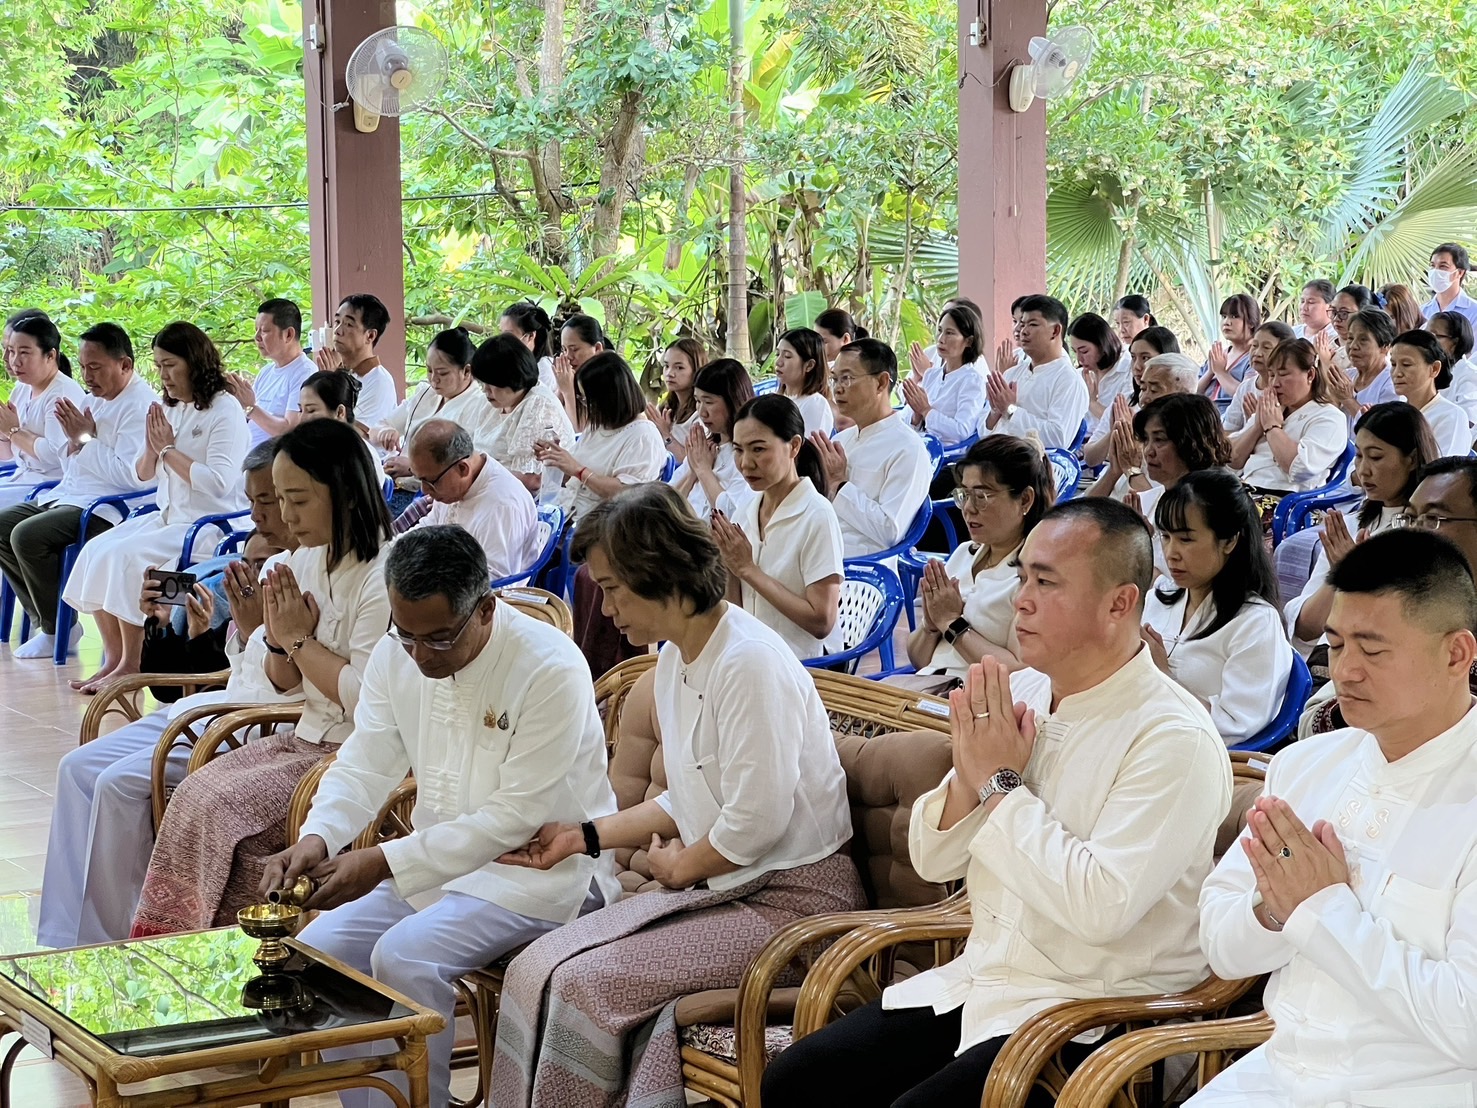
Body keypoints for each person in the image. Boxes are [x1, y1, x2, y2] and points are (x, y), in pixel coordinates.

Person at [761, 498, 1231, 1108]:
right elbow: (934, 860)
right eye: (1023, 576)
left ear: (1120, 603)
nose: (1021, 600)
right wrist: (971, 779)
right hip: (986, 980)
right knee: (800, 1079)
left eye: (1046, 582)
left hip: (1098, 1015)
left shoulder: (1173, 738)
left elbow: (1099, 907)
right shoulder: (1027, 692)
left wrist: (999, 787)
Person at [488, 483, 864, 1108]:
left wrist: (680, 866)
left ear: (660, 573)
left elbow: (754, 821)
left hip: (798, 908)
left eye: (611, 588)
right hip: (730, 888)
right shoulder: (675, 659)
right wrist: (582, 836)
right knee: (538, 964)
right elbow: (692, 798)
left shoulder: (749, 662)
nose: (605, 610)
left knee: (586, 984)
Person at [264, 525, 621, 1108]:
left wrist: (382, 861)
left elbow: (514, 816)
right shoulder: (396, 652)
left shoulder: (549, 666)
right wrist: (319, 836)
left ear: (485, 608)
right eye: (405, 636)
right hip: (435, 869)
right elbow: (364, 762)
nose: (419, 655)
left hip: (540, 879)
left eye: (437, 638)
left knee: (404, 955)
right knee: (320, 951)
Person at [1192, 528, 1477, 1107]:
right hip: (1276, 1073)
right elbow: (1222, 947)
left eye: (1372, 650)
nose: (1345, 672)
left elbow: (1466, 1024)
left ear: (1457, 654)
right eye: (1337, 644)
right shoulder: (1305, 766)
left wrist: (1320, 909)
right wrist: (1274, 910)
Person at [128, 418, 394, 937]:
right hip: (303, 736)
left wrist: (298, 640)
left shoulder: (384, 573)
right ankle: (184, 951)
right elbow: (284, 683)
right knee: (194, 793)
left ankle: (243, 954)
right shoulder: (301, 561)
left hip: (352, 751)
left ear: (344, 493)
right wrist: (279, 640)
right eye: (281, 500)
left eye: (298, 500)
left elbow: (367, 702)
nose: (286, 518)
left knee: (222, 811)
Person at [35, 441, 300, 949]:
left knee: (116, 786)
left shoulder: (299, 571)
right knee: (76, 768)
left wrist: (250, 634)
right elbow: (215, 672)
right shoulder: (255, 564)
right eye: (254, 501)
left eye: (273, 501)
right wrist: (182, 630)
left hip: (254, 722)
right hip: (214, 704)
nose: (260, 515)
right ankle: (59, 939)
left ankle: (113, 943)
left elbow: (280, 680)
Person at [62, 322, 249, 693]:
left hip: (208, 525)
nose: (163, 376)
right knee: (98, 549)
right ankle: (113, 659)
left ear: (194, 363)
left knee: (128, 557)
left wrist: (167, 450)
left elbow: (218, 482)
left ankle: (135, 663)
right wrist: (154, 447)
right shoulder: (173, 408)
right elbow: (145, 476)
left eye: (170, 366)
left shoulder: (223, 408)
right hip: (168, 517)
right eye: (159, 366)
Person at [0, 323, 157, 660]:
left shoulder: (140, 405)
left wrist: (84, 440)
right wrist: (76, 442)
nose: (87, 376)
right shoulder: (94, 400)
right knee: (2, 526)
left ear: (125, 365)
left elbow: (132, 477)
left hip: (110, 508)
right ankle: (49, 620)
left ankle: (61, 627)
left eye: (95, 367)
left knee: (28, 537)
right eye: (84, 367)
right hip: (69, 494)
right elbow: (72, 458)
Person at [1303, 456, 1477, 735]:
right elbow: (1312, 722)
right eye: (1408, 518)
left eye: (1433, 518)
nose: (1413, 532)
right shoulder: (1392, 599)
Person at [535, 351, 665, 676]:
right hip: (572, 521)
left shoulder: (641, 435)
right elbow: (575, 469)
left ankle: (595, 668)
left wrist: (578, 470)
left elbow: (629, 494)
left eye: (589, 400)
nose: (586, 408)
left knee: (583, 577)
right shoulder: (598, 428)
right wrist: (558, 458)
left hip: (611, 530)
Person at [1141, 469, 1291, 745]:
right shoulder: (1161, 594)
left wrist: (1162, 674)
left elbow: (1235, 728)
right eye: (1165, 537)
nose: (1171, 552)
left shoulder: (1255, 622)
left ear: (1229, 541)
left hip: (1195, 751)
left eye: (1185, 539)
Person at [1285, 401, 1438, 660]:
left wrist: (1357, 576)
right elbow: (1306, 628)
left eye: (1376, 457)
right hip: (1331, 659)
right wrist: (1341, 574)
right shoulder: (1352, 526)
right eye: (1358, 456)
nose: (1363, 470)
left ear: (1411, 460)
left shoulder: (1431, 529)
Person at [902, 435, 1052, 689]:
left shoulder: (1034, 575)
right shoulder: (963, 554)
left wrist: (952, 623)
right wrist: (931, 626)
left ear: (1025, 500)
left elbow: (1021, 673)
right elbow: (920, 661)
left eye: (982, 496)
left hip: (974, 702)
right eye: (963, 494)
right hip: (927, 689)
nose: (968, 508)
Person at [711, 394, 843, 660]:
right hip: (753, 652)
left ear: (794, 446)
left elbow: (821, 621)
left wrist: (748, 569)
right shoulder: (747, 509)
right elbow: (736, 609)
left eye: (758, 449)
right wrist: (728, 564)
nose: (746, 463)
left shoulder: (817, 515)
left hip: (804, 662)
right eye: (738, 450)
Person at [810, 339, 933, 558]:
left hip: (861, 568)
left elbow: (890, 532)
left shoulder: (908, 449)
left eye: (846, 378)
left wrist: (839, 484)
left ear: (881, 383)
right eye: (834, 379)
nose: (837, 388)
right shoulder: (843, 439)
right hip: (818, 552)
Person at [402, 419, 539, 580]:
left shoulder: (502, 505)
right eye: (420, 480)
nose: (424, 490)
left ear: (462, 469)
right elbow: (429, 528)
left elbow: (496, 580)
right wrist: (392, 550)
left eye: (430, 481)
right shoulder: (449, 481)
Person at [1230, 338, 1348, 510]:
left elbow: (1298, 468)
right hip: (1246, 491)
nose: (1275, 383)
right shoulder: (1271, 409)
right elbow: (1232, 458)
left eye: (1284, 374)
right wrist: (1258, 426)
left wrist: (1272, 428)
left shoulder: (1329, 416)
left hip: (1285, 501)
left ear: (1310, 375)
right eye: (1271, 375)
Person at [371, 328, 493, 491]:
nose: (433, 379)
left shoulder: (479, 405)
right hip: (392, 484)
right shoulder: (425, 393)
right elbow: (376, 428)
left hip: (431, 495)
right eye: (429, 370)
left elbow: (467, 466)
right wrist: (384, 433)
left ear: (466, 371)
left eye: (442, 373)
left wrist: (412, 469)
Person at [470, 332, 574, 497]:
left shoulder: (539, 406)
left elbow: (531, 481)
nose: (485, 390)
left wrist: (472, 479)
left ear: (513, 379)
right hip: (487, 489)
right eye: (483, 383)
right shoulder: (493, 403)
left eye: (492, 384)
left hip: (519, 499)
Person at [0, 314, 86, 509]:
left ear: (50, 355)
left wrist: (14, 432)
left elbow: (56, 455)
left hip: (49, 487)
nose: (14, 361)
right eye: (11, 352)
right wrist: (5, 433)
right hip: (20, 478)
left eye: (24, 353)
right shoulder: (22, 388)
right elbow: (9, 455)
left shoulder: (62, 395)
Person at [980, 294, 1089, 449]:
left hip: (1033, 466)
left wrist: (1010, 410)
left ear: (1055, 331)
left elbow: (1058, 438)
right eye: (1022, 324)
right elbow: (983, 433)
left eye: (1032, 324)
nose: (1023, 331)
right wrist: (995, 412)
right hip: (996, 456)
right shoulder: (1012, 373)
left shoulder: (1069, 380)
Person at [1082, 325, 1181, 469]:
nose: (1137, 366)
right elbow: (1090, 458)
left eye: (1145, 358)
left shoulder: (1182, 409)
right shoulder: (1125, 402)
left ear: (1166, 358)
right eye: (1133, 358)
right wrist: (1118, 431)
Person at [669, 358, 754, 520]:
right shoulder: (703, 447)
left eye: (708, 402)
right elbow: (666, 501)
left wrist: (703, 471)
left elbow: (733, 514)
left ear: (732, 401)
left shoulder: (744, 455)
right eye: (697, 401)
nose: (701, 412)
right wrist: (694, 471)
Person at [225, 297, 314, 447]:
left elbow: (290, 430)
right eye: (256, 330)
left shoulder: (305, 373)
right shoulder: (266, 372)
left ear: (288, 335)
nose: (257, 337)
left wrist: (250, 407)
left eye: (265, 331)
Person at [902, 304, 988, 446]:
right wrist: (917, 416)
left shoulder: (972, 380)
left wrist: (926, 411)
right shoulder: (932, 375)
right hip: (921, 447)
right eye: (940, 331)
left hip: (948, 457)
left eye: (950, 333)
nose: (941, 339)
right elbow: (912, 424)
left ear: (968, 341)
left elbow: (962, 430)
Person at [317, 293, 398, 430]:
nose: (338, 331)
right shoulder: (337, 371)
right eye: (337, 322)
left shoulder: (378, 381)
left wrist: (330, 386)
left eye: (349, 324)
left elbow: (353, 436)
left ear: (370, 336)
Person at [1390, 328, 1471, 456]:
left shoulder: (1452, 417)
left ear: (1434, 368)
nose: (1397, 373)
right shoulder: (1392, 413)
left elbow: (1443, 472)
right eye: (1393, 364)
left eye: (1406, 364)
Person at [1326, 307, 1398, 423]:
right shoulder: (1346, 377)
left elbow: (1383, 432)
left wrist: (1348, 400)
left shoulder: (1392, 383)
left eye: (1363, 340)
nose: (1353, 346)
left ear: (1385, 346)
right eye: (1350, 338)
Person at [1223, 321, 1295, 434]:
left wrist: (1260, 422)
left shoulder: (1287, 391)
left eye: (1266, 347)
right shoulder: (1245, 388)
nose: (1257, 353)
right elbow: (1227, 432)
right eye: (1254, 345)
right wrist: (1252, 424)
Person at [644, 337, 706, 461]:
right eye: (666, 366)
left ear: (696, 370)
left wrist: (666, 434)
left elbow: (692, 463)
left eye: (679, 368)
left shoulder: (702, 414)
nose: (669, 373)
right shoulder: (665, 407)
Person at [1197, 293, 1260, 402]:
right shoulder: (1219, 355)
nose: (1226, 322)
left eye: (1234, 317)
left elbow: (1246, 396)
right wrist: (1210, 372)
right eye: (1224, 316)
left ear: (1251, 322)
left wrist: (1221, 373)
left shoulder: (1256, 357)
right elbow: (1194, 390)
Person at [774, 327, 835, 437]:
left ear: (809, 365)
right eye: (777, 354)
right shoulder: (776, 399)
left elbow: (808, 450)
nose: (778, 362)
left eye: (787, 356)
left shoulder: (815, 404)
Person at [1068, 312, 1126, 426]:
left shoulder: (1126, 370)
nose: (1079, 359)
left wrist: (1091, 402)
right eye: (1075, 352)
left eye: (1084, 351)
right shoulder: (1080, 375)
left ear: (1102, 345)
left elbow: (1124, 422)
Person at [551, 313, 607, 427]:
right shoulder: (571, 378)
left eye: (574, 349)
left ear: (597, 348)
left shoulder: (610, 382)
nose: (568, 356)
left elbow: (577, 436)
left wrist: (568, 392)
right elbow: (547, 419)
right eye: (564, 349)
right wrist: (561, 389)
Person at [1429, 309, 1477, 428]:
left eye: (1434, 336)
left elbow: (1467, 422)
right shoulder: (1427, 369)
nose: (1426, 341)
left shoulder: (1469, 375)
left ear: (1454, 343)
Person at [499, 300, 556, 391]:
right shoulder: (516, 365)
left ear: (530, 336)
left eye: (508, 335)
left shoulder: (544, 372)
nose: (502, 340)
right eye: (501, 333)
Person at [1422, 241, 1476, 326]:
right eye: (1432, 265)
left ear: (1460, 272)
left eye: (1443, 266)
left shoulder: (1474, 312)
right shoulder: (1423, 311)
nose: (1435, 271)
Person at [1292, 278, 1339, 343]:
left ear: (1330, 306)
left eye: (1311, 302)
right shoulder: (1292, 333)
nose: (1304, 307)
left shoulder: (1336, 338)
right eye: (1302, 301)